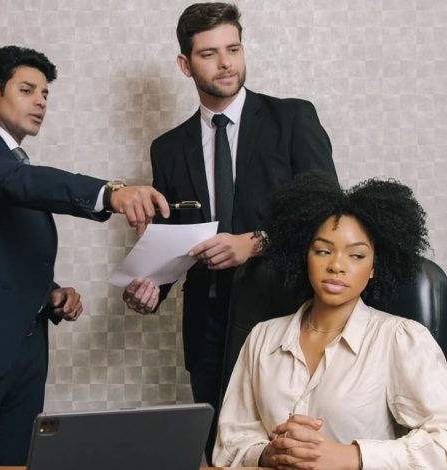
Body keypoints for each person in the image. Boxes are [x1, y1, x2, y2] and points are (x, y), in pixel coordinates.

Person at [0, 45, 170, 466]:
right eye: (27, 90)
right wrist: (110, 193)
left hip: (26, 351)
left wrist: (50, 293)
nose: (40, 102)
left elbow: (0, 251)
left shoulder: (14, 166)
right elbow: (21, 183)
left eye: (45, 94)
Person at [121, 2, 336, 461]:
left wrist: (254, 243)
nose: (225, 63)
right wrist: (150, 288)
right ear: (185, 64)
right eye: (209, 54)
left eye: (233, 49)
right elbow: (174, 240)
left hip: (284, 317)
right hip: (208, 329)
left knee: (289, 452)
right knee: (221, 452)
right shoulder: (168, 148)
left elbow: (328, 215)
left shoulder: (292, 119)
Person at [214, 172, 447, 469]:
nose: (336, 266)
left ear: (374, 267)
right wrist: (268, 454)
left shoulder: (400, 340)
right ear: (304, 255)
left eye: (356, 255)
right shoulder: (263, 337)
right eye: (323, 251)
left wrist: (352, 456)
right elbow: (229, 443)